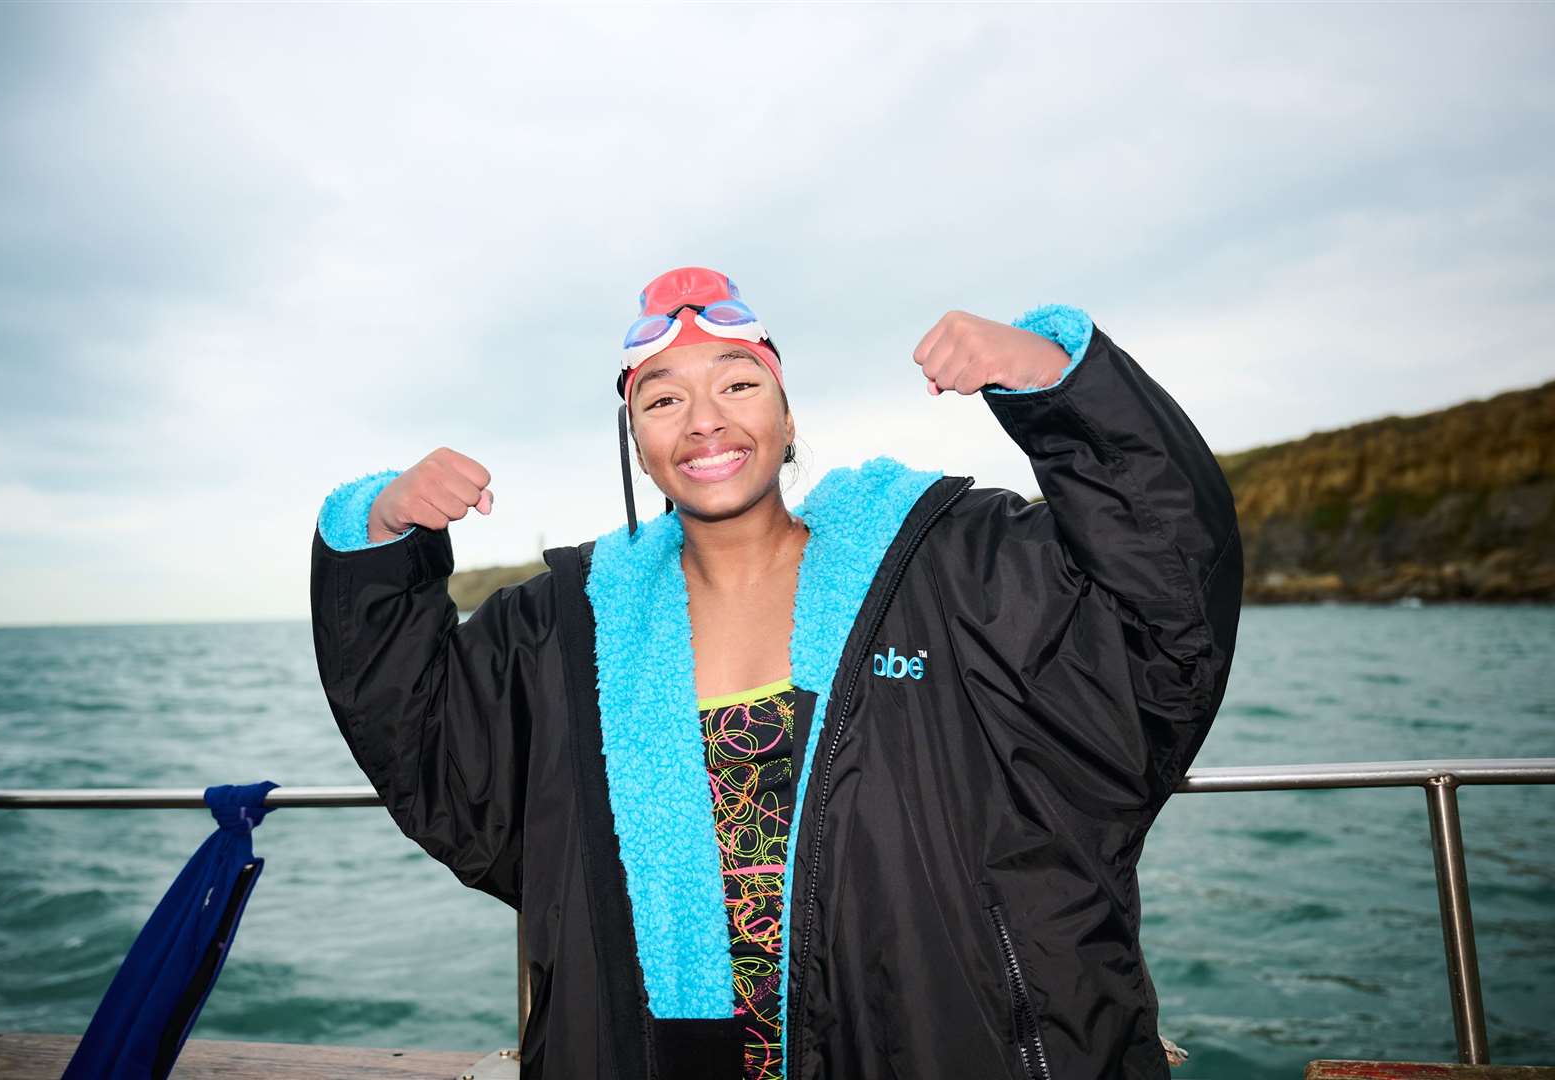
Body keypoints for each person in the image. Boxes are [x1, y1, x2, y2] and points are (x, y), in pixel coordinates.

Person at [309, 266, 1243, 1080]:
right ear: (636, 437)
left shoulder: (944, 566)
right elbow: (422, 740)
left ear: (789, 414)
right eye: (662, 398)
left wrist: (1056, 382)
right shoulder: (561, 628)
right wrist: (382, 533)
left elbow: (1164, 609)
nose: (703, 420)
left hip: (929, 1040)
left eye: (738, 382)